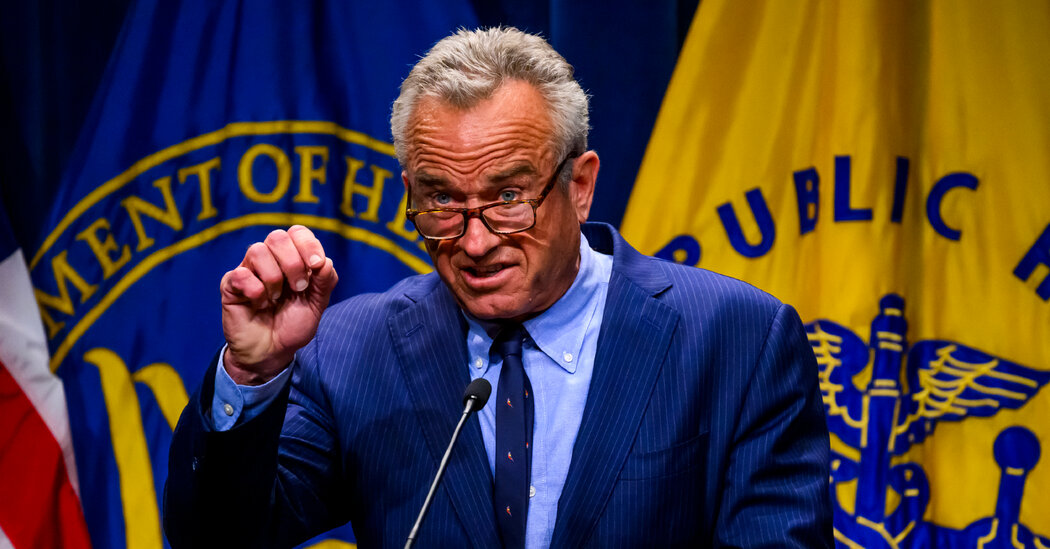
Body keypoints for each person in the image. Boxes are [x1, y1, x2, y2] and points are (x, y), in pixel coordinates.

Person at [164, 27, 832, 548]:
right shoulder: (351, 349)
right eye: (441, 201)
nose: (475, 242)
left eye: (509, 197)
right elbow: (219, 539)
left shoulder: (738, 341)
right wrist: (251, 372)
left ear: (580, 184)